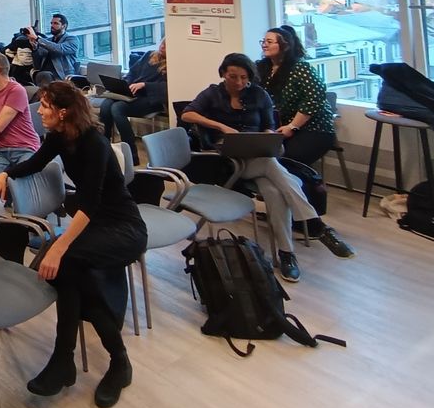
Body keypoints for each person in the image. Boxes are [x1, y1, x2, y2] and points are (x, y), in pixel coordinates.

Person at [0, 81, 146, 408]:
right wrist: (6, 175)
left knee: (66, 263)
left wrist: (59, 247)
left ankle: (80, 362)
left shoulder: (95, 143)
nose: (39, 111)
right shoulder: (60, 136)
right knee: (72, 274)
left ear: (63, 112)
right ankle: (100, 362)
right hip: (94, 225)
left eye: (44, 106)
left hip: (123, 227)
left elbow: (89, 205)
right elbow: (34, 163)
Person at [181, 53, 329, 283]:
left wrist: (268, 137)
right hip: (228, 163)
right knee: (271, 164)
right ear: (223, 74)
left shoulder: (259, 95)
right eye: (233, 77)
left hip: (258, 158)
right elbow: (188, 113)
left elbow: (270, 126)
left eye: (243, 78)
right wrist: (220, 125)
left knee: (273, 191)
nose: (239, 83)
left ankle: (286, 253)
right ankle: (312, 221)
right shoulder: (212, 93)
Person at [256, 25, 354, 258]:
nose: (265, 44)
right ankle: (300, 216)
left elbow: (314, 99)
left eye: (271, 41)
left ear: (285, 45)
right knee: (273, 161)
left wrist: (292, 127)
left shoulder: (300, 69)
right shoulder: (263, 69)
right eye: (264, 41)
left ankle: (303, 217)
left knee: (289, 160)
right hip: (282, 129)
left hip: (313, 129)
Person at [0, 52, 41, 185]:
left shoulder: (16, 91)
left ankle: (18, 202)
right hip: (0, 150)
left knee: (22, 181)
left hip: (25, 147)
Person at [98, 39, 168, 166]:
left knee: (117, 108)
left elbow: (167, 87)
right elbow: (132, 73)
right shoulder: (149, 55)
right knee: (106, 104)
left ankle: (131, 153)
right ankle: (104, 144)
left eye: (167, 46)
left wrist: (145, 85)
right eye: (162, 43)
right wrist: (126, 84)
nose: (162, 47)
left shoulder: (173, 64)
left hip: (151, 98)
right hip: (133, 94)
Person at [29, 13, 79, 84]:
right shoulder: (48, 41)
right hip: (44, 75)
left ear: (64, 26)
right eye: (51, 23)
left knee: (45, 76)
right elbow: (37, 64)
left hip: (62, 75)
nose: (52, 26)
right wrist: (35, 48)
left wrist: (37, 39)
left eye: (55, 23)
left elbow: (59, 49)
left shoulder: (72, 39)